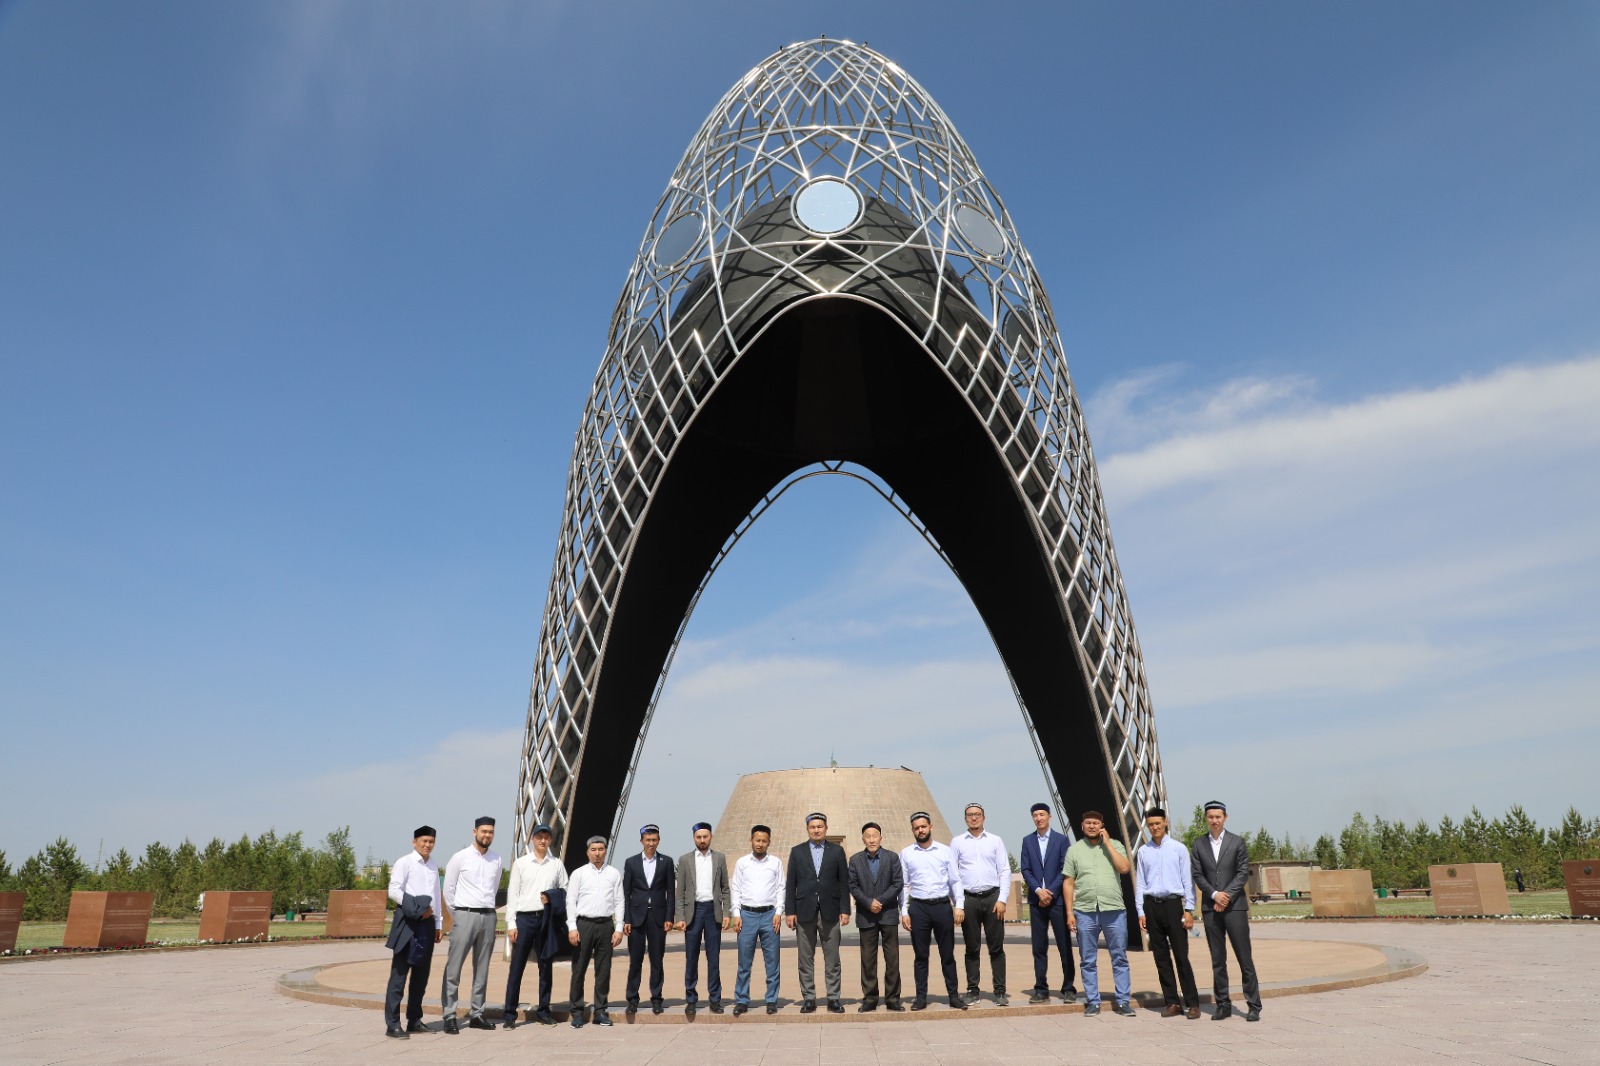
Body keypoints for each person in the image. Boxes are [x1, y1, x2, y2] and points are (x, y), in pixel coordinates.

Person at [1061, 809, 1136, 1018]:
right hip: (1085, 911)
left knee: (1119, 957)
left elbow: (1124, 868)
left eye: (1096, 823)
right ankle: (1093, 1001)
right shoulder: (1074, 850)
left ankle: (1123, 1001)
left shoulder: (1116, 845)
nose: (1092, 826)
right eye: (1088, 823)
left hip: (1113, 910)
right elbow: (1068, 882)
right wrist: (1069, 912)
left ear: (1102, 826)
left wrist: (1108, 844)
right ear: (1082, 826)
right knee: (1087, 959)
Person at [1190, 801, 1260, 1022]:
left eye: (1218, 817)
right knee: (1218, 959)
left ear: (1225, 818)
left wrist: (1226, 895)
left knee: (1244, 957)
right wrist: (1214, 895)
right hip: (1211, 908)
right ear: (1206, 818)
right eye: (1210, 817)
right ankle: (1223, 1004)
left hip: (1235, 907)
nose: (1214, 820)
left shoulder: (1237, 842)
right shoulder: (1198, 844)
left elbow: (1242, 873)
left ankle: (1253, 1005)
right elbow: (1197, 874)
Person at [440, 816, 503, 1033]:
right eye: (483, 831)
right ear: (474, 831)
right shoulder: (460, 857)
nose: (487, 835)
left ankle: (477, 1013)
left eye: (490, 832)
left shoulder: (496, 859)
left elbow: (494, 888)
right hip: (465, 914)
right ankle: (449, 1015)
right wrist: (457, 915)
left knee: (482, 968)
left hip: (488, 916)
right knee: (454, 968)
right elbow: (449, 889)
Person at [899, 811, 967, 1011]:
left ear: (931, 827)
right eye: (916, 828)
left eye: (923, 826)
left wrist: (959, 905)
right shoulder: (906, 853)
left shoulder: (945, 851)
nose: (920, 830)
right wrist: (904, 911)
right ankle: (921, 998)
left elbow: (955, 880)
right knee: (921, 956)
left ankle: (953, 996)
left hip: (941, 906)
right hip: (918, 907)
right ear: (913, 830)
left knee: (947, 955)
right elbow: (904, 885)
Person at [1135, 807, 1199, 1019]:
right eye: (1150, 824)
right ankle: (1172, 1002)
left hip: (1173, 905)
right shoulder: (1143, 851)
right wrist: (1140, 911)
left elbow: (1187, 881)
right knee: (1161, 957)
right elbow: (1140, 883)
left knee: (1181, 956)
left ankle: (1192, 1003)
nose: (1154, 827)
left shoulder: (1178, 849)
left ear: (1165, 822)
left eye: (1157, 823)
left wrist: (1189, 909)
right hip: (1152, 906)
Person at [502, 822, 567, 1028]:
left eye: (546, 837)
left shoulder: (556, 864)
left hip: (546, 919)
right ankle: (509, 1014)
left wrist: (552, 897)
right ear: (533, 839)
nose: (542, 840)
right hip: (524, 919)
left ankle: (543, 1011)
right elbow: (513, 894)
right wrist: (511, 923)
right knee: (517, 967)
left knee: (545, 966)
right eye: (539, 837)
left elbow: (565, 889)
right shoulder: (521, 863)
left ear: (550, 840)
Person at [785, 812, 851, 1014]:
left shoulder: (837, 851)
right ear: (807, 829)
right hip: (804, 911)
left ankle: (833, 998)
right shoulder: (797, 852)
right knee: (805, 958)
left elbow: (844, 882)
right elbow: (791, 884)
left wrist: (845, 909)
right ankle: (809, 998)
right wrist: (790, 911)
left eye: (820, 826)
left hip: (830, 911)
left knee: (832, 959)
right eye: (812, 827)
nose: (816, 830)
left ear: (826, 828)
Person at [384, 825, 444, 1039]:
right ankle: (392, 1024)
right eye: (424, 841)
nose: (427, 845)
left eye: (431, 842)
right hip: (408, 924)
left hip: (427, 924)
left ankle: (414, 1020)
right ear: (414, 842)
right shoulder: (405, 862)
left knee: (421, 976)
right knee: (399, 975)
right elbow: (393, 890)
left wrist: (438, 923)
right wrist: (416, 907)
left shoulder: (433, 865)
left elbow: (436, 895)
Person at [950, 802, 1010, 1005]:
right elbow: (953, 875)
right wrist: (958, 904)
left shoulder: (995, 841)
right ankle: (972, 990)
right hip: (969, 899)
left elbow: (1004, 870)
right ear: (965, 818)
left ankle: (1000, 991)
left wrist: (1002, 899)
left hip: (993, 898)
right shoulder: (957, 842)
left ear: (984, 817)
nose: (974, 818)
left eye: (977, 814)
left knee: (996, 947)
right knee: (972, 947)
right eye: (970, 815)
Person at [1018, 802, 1076, 1004]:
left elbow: (1065, 869)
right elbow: (1025, 869)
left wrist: (1050, 892)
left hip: (1057, 900)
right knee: (1039, 947)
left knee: (1064, 945)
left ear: (1049, 816)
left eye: (1042, 814)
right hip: (1036, 901)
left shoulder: (1061, 840)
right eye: (1035, 815)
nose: (1039, 818)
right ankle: (1041, 989)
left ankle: (1068, 988)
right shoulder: (1028, 841)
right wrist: (1038, 891)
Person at [566, 835, 625, 1028]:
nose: (597, 853)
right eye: (593, 850)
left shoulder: (614, 874)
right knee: (579, 969)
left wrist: (619, 928)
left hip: (606, 925)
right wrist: (572, 927)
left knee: (603, 970)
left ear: (605, 851)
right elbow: (570, 901)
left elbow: (619, 901)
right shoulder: (579, 874)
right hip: (584, 924)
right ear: (587, 852)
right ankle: (577, 1012)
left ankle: (600, 1011)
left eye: (601, 849)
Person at [674, 821, 730, 1017]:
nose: (702, 840)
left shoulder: (719, 858)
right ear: (694, 838)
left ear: (711, 837)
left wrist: (727, 913)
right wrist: (680, 916)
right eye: (699, 837)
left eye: (705, 837)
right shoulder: (685, 860)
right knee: (692, 957)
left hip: (712, 911)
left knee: (713, 958)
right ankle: (691, 999)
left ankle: (715, 999)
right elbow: (680, 892)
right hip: (694, 912)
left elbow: (725, 888)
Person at [848, 822, 905, 1012]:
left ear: (881, 838)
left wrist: (879, 901)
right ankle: (870, 998)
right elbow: (853, 886)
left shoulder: (892, 858)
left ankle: (893, 998)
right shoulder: (855, 860)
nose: (872, 840)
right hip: (866, 915)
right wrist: (868, 902)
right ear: (863, 839)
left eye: (875, 836)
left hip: (888, 913)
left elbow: (897, 883)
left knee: (892, 958)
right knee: (868, 960)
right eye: (868, 836)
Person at [622, 824, 676, 1015]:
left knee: (657, 959)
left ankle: (656, 998)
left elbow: (670, 891)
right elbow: (626, 893)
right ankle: (632, 999)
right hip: (637, 917)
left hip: (658, 917)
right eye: (648, 840)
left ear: (658, 841)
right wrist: (626, 919)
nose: (651, 843)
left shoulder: (666, 862)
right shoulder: (631, 863)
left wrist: (669, 916)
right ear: (641, 841)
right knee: (635, 960)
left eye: (654, 840)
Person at [730, 824, 784, 1015]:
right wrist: (736, 914)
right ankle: (742, 999)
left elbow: (781, 888)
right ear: (751, 841)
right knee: (744, 961)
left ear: (769, 842)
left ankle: (771, 999)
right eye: (757, 840)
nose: (760, 844)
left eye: (764, 841)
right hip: (747, 915)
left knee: (772, 961)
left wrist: (778, 912)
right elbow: (736, 888)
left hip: (770, 915)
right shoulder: (742, 863)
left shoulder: (775, 863)